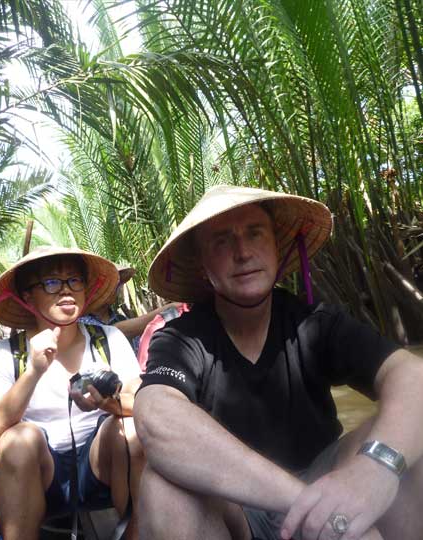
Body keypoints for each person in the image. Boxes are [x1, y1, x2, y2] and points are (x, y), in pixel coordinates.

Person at [133, 185, 423, 540]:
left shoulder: (315, 323)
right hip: (239, 504)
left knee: (409, 435)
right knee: (161, 485)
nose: (243, 252)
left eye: (255, 233)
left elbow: (411, 375)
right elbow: (156, 415)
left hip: (327, 476)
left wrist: (376, 470)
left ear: (276, 247)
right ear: (203, 265)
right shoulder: (182, 338)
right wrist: (312, 505)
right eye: (222, 242)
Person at [0, 246, 143, 540]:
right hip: (39, 475)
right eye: (52, 282)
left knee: (131, 430)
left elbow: (143, 403)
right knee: (17, 439)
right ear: (28, 296)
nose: (66, 290)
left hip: (101, 464)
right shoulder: (4, 354)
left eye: (74, 280)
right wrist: (33, 371)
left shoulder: (109, 340)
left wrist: (109, 405)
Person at [81, 263, 181, 355]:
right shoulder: (81, 323)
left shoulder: (120, 318)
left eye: (116, 283)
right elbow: (112, 331)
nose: (113, 288)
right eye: (105, 284)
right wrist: (169, 309)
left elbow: (138, 349)